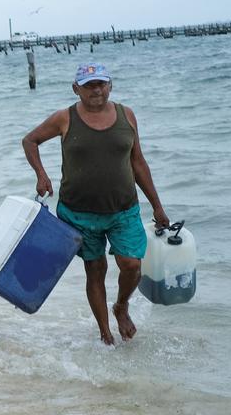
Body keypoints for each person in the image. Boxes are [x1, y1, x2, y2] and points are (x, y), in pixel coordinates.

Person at [22, 62, 169, 346]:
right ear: (76, 89)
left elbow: (138, 162)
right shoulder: (64, 118)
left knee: (131, 265)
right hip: (78, 213)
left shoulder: (127, 115)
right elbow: (30, 141)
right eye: (89, 85)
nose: (96, 90)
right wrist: (41, 175)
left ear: (110, 86)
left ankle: (121, 306)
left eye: (101, 84)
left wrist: (157, 206)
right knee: (95, 270)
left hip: (123, 209)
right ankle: (105, 334)